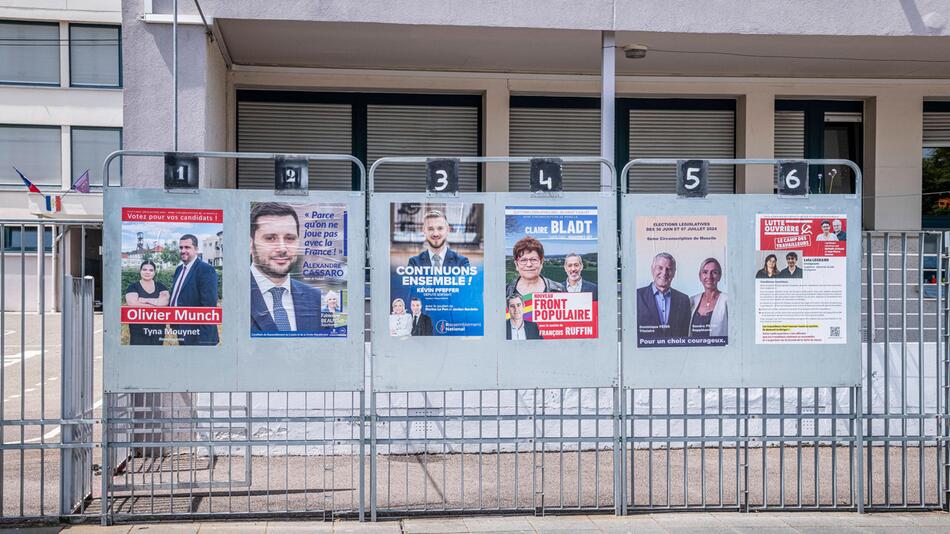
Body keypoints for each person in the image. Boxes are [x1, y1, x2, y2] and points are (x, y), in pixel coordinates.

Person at [249, 202, 324, 334]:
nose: (282, 248)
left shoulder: (316, 298)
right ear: (250, 244)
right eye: (270, 238)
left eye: (290, 238)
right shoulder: (233, 296)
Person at [169, 233, 219, 345]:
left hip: (199, 335)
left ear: (196, 249)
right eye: (181, 247)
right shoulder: (178, 270)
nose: (183, 250)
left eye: (187, 247)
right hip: (181, 328)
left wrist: (203, 340)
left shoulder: (206, 270)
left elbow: (209, 307)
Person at [636, 252, 691, 340]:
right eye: (660, 268)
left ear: (674, 273)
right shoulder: (637, 296)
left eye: (668, 269)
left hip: (674, 352)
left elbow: (684, 335)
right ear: (652, 269)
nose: (664, 273)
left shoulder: (683, 300)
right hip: (645, 352)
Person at [124, 260, 170, 345]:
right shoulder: (133, 287)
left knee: (156, 355)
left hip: (157, 329)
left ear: (154, 272)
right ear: (140, 271)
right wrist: (157, 306)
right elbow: (133, 304)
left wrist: (145, 300)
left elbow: (164, 302)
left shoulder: (161, 286)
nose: (147, 272)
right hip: (138, 330)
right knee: (137, 355)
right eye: (144, 269)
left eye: (151, 270)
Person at [689, 258, 728, 338]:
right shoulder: (692, 300)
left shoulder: (727, 301)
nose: (709, 276)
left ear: (719, 276)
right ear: (700, 276)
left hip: (718, 350)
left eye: (714, 272)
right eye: (705, 272)